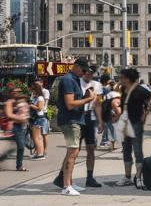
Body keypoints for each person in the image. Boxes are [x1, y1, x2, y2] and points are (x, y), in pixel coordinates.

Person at [53, 58, 96, 196]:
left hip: (75, 119)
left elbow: (74, 101)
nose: (84, 73)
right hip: (70, 120)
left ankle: (69, 182)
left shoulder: (75, 79)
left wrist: (84, 96)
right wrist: (89, 99)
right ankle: (66, 186)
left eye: (87, 71)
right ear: (76, 66)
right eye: (83, 70)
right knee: (72, 152)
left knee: (73, 152)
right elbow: (70, 104)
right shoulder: (68, 80)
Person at [115, 68, 151, 189]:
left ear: (128, 78)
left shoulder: (139, 90)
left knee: (137, 150)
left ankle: (138, 176)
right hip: (126, 123)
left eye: (122, 77)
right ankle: (127, 177)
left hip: (136, 124)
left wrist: (145, 114)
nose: (121, 79)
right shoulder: (124, 89)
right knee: (126, 150)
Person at [79, 65, 104, 187]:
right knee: (74, 150)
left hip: (90, 118)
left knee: (91, 148)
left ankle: (90, 177)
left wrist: (100, 121)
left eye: (92, 73)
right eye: (88, 73)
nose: (90, 75)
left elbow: (97, 104)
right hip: (78, 117)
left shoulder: (97, 85)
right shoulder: (77, 82)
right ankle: (66, 179)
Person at [3, 88, 29, 171]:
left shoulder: (19, 101)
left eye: (18, 92)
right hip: (14, 126)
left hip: (21, 126)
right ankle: (19, 166)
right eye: (14, 92)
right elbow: (9, 114)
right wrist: (20, 118)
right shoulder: (9, 102)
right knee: (21, 146)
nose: (17, 93)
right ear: (10, 93)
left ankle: (3, 158)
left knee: (16, 146)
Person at [29, 82, 46, 160]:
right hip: (37, 118)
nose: (32, 91)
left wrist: (31, 105)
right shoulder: (37, 97)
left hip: (38, 118)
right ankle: (40, 153)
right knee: (38, 137)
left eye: (33, 90)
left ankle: (40, 154)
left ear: (36, 90)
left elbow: (40, 108)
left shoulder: (40, 98)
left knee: (36, 137)